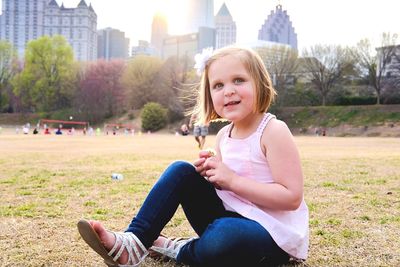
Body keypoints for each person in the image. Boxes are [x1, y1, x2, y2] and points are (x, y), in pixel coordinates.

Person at [77, 46, 309, 267]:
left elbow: (291, 197)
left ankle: (176, 248)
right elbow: (230, 192)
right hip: (228, 219)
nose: (228, 90)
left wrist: (232, 180)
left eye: (238, 80)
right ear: (209, 94)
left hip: (270, 235)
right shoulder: (224, 136)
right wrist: (213, 175)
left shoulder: (273, 131)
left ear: (259, 84)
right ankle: (135, 242)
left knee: (224, 236)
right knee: (181, 171)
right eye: (218, 85)